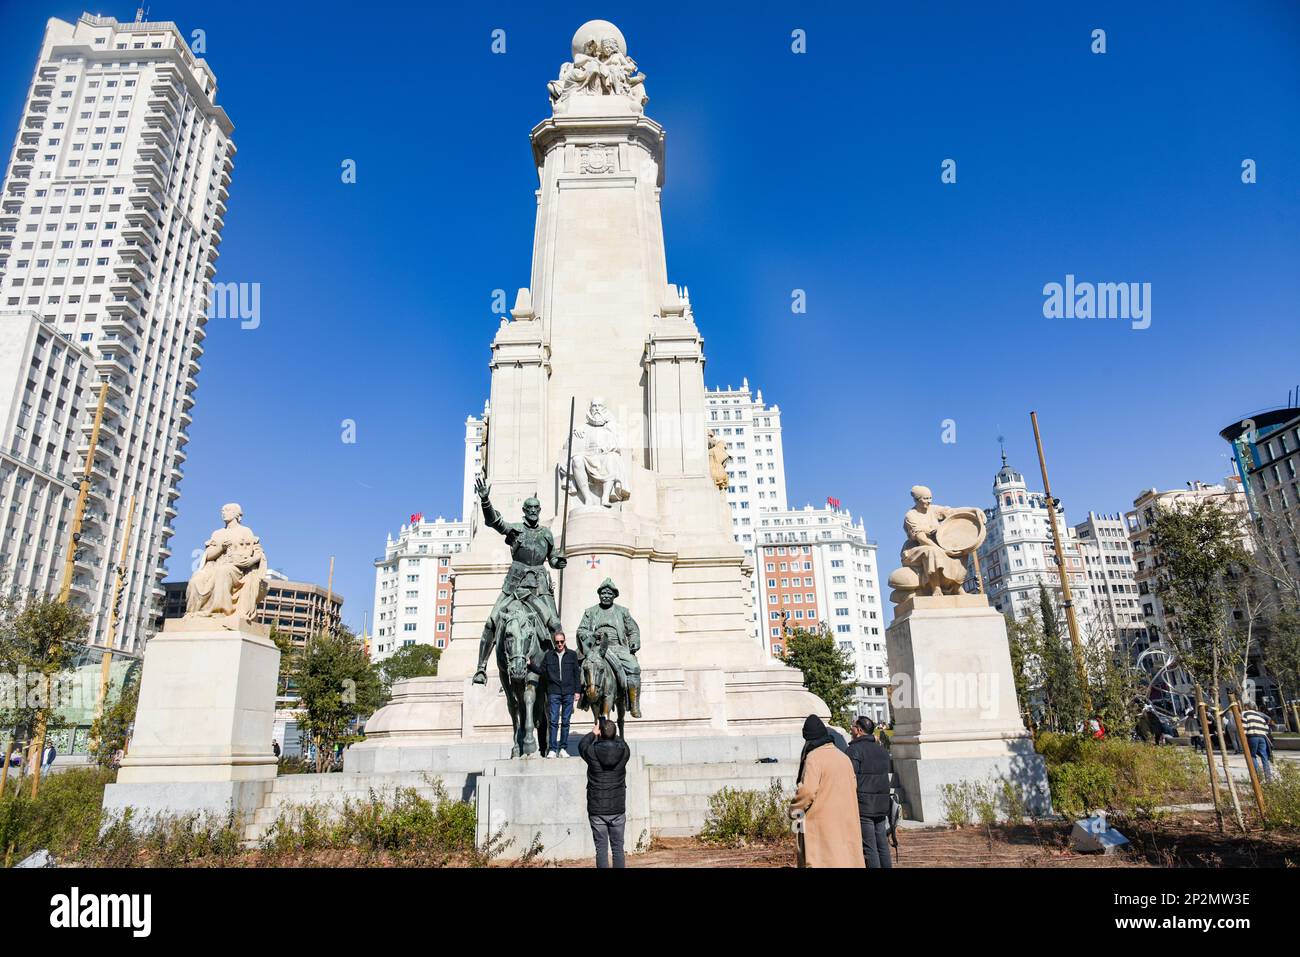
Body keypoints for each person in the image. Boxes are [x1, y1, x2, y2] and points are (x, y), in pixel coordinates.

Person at [789, 714, 865, 868]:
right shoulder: (843, 758)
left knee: (824, 861)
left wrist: (794, 810)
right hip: (845, 821)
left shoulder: (814, 758)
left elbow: (808, 791)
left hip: (822, 826)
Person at [578, 718, 631, 868]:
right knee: (618, 849)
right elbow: (623, 743)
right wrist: (611, 733)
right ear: (615, 735)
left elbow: (582, 745)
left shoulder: (592, 752)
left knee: (601, 849)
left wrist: (593, 733)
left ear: (600, 733)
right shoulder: (624, 752)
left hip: (597, 809)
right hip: (617, 808)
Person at [846, 717, 893, 869]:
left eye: (853, 726)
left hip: (864, 805)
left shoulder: (853, 750)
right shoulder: (881, 749)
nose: (851, 729)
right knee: (882, 844)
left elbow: (849, 777)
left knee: (869, 847)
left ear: (859, 730)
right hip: (882, 803)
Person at [539, 631, 580, 757]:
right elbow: (542, 671)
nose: (559, 644)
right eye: (557, 642)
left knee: (566, 721)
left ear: (565, 641)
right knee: (553, 721)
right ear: (554, 642)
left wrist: (577, 691)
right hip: (554, 692)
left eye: (561, 641)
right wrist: (530, 666)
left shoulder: (572, 655)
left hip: (568, 692)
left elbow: (576, 674)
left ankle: (563, 748)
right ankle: (552, 749)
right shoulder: (549, 656)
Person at [1240, 701, 1274, 780]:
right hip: (1262, 737)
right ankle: (1268, 778)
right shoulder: (1259, 715)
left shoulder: (1245, 713)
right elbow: (1266, 728)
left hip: (1252, 736)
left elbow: (1244, 727)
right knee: (1264, 756)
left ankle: (1259, 776)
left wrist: (1243, 737)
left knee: (1252, 756)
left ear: (1247, 707)